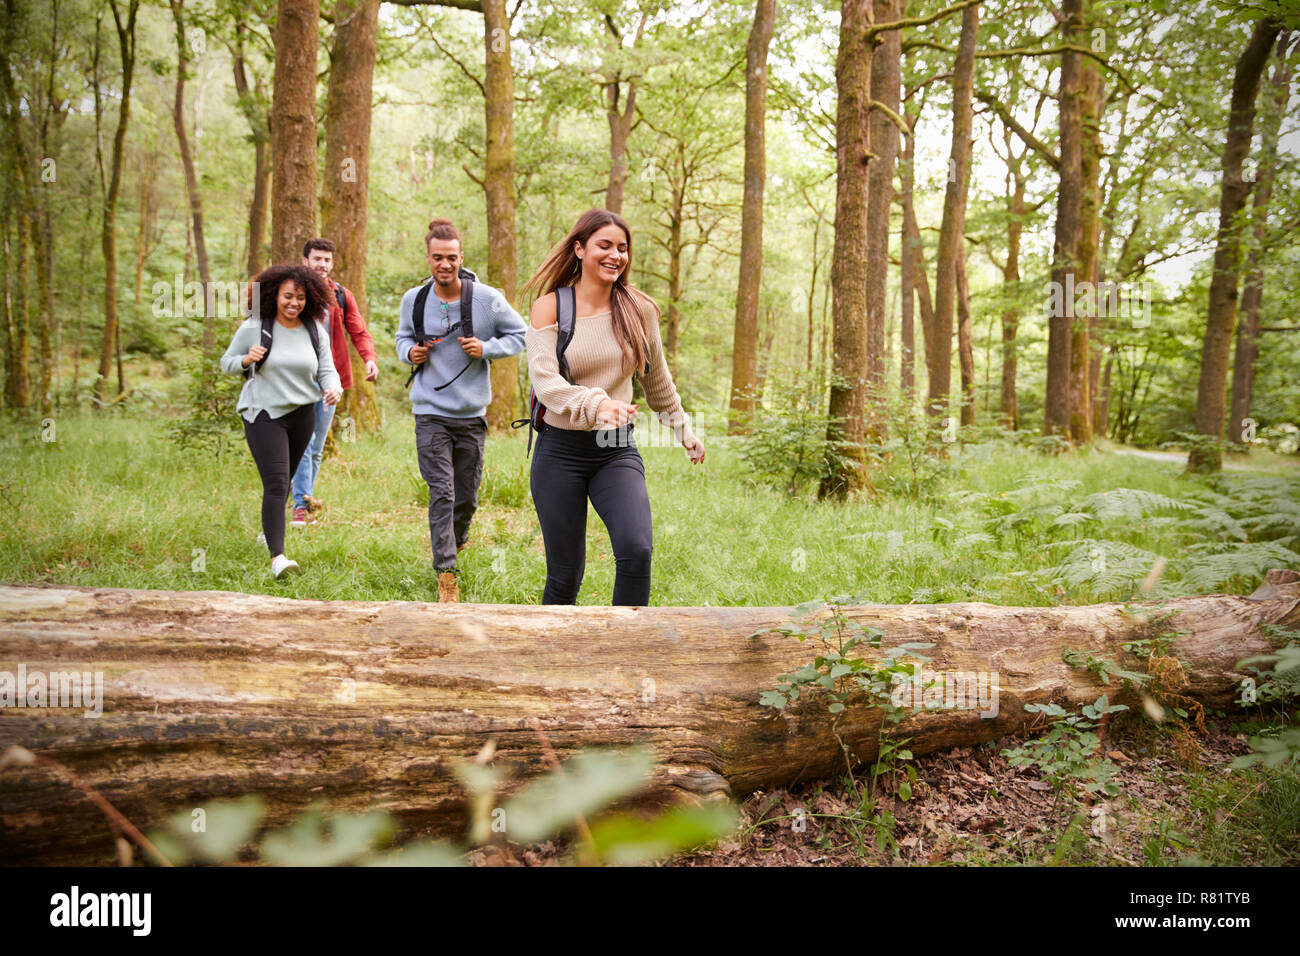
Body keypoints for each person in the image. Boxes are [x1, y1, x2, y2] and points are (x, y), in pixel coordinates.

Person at [521, 208, 704, 607]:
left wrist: (683, 431)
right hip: (559, 451)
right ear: (580, 249)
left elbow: (657, 381)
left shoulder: (640, 309)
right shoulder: (550, 308)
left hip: (614, 449)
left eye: (622, 248)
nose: (615, 255)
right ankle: (555, 658)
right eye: (604, 245)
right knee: (565, 573)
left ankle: (629, 653)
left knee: (637, 549)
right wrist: (597, 403)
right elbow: (547, 384)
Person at [396, 218, 527, 603]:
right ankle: (446, 574)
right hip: (430, 412)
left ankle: (453, 542)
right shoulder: (414, 300)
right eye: (438, 258)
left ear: (461, 257)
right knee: (442, 491)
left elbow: (520, 335)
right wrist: (410, 352)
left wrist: (486, 349)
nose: (445, 264)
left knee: (466, 497)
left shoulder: (486, 298)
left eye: (451, 257)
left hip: (471, 415)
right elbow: (402, 338)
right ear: (428, 258)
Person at [221, 264, 342, 578]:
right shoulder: (256, 326)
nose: (294, 302)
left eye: (301, 297)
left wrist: (333, 388)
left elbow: (326, 369)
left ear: (310, 298)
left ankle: (266, 533)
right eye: (288, 296)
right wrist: (246, 360)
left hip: (302, 414)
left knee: (285, 480)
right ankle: (278, 559)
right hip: (263, 413)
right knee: (276, 484)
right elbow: (227, 363)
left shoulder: (315, 329)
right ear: (275, 295)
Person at [290, 238, 379, 527]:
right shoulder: (292, 294)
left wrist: (369, 358)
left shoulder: (341, 295)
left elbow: (358, 329)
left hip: (331, 381)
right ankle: (300, 506)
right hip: (298, 380)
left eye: (327, 260)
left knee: (316, 447)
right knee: (303, 443)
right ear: (305, 261)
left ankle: (306, 501)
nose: (322, 264)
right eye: (317, 259)